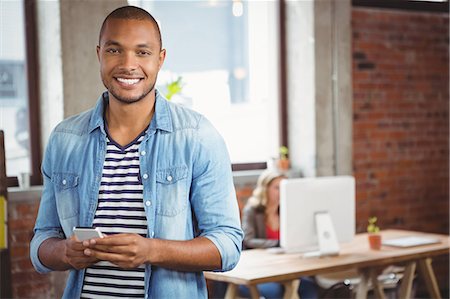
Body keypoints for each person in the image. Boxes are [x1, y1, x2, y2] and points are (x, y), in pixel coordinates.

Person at [30, 6, 243, 299]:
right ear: (99, 55)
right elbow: (42, 241)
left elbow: (228, 246)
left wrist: (152, 250)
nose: (128, 64)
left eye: (142, 52)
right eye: (114, 50)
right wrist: (66, 252)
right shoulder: (65, 139)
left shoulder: (197, 137)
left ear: (160, 59)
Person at [240, 170, 318, 299]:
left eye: (284, 187)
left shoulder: (286, 210)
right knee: (276, 293)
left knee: (309, 288)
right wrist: (277, 244)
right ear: (265, 189)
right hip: (261, 270)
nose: (281, 191)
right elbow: (248, 240)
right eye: (277, 187)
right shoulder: (252, 211)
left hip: (287, 268)